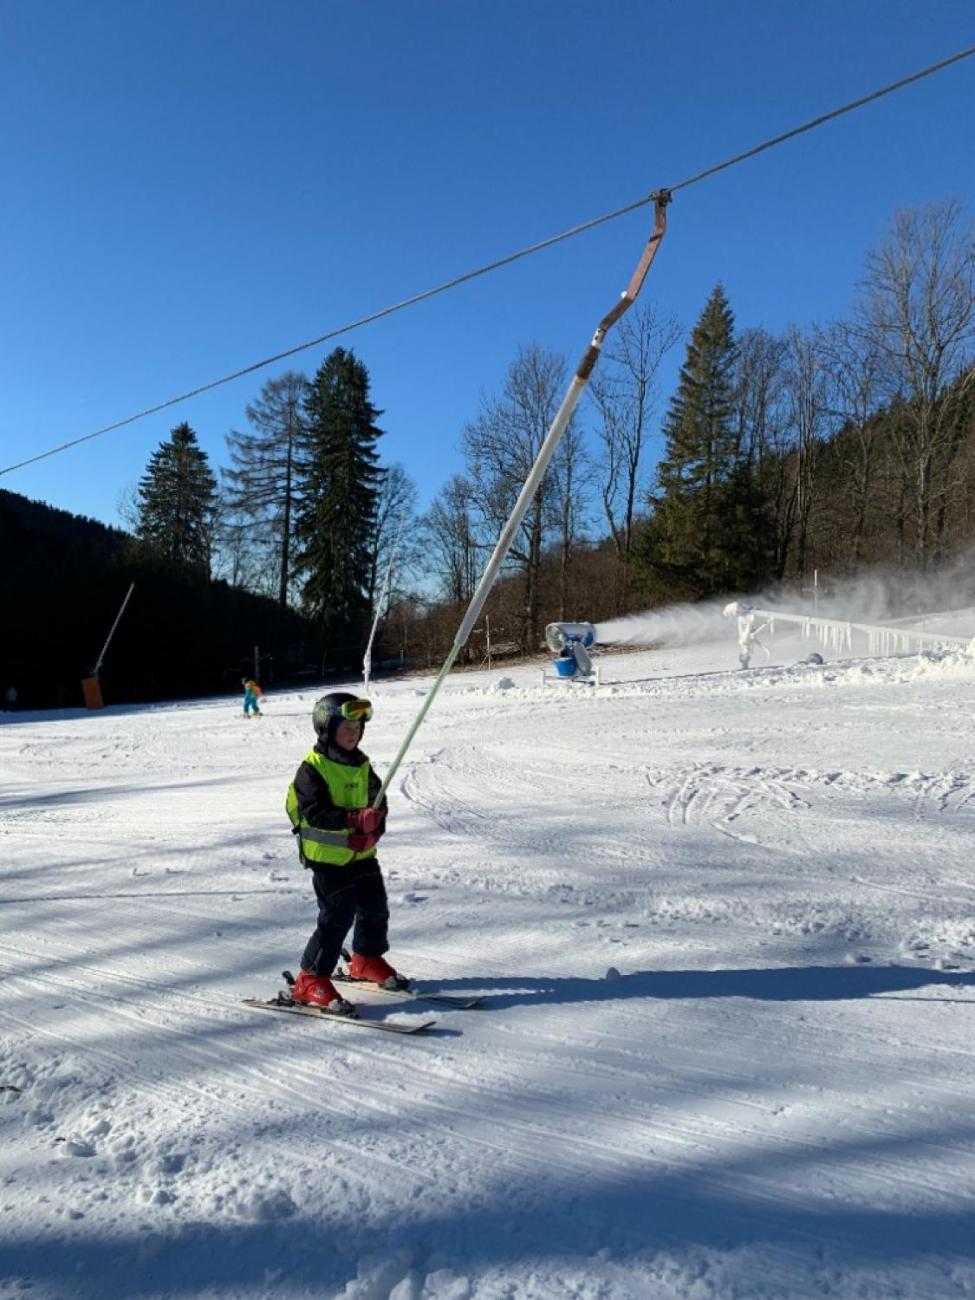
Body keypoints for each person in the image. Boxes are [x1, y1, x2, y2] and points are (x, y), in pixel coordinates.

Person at [284, 692, 408, 1014]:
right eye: (346, 729)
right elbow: (314, 813)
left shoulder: (362, 767)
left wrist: (373, 830)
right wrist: (353, 821)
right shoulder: (311, 770)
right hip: (328, 858)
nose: (353, 735)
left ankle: (366, 958)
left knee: (374, 906)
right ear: (326, 730)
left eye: (357, 729)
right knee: (337, 915)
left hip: (362, 856)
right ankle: (310, 978)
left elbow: (379, 805)